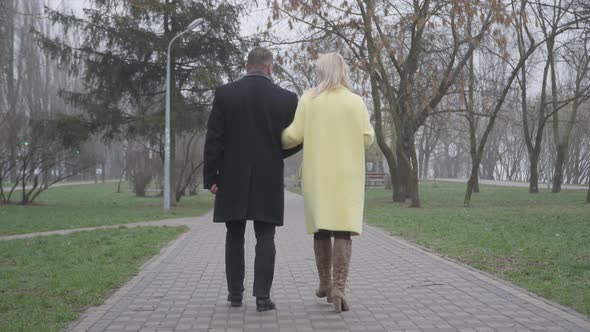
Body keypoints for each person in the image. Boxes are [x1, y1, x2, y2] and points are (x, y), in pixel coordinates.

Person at [203, 47, 301, 312]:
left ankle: (235, 294)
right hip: (268, 176)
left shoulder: (225, 94)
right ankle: (262, 298)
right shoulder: (287, 98)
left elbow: (214, 139)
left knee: (234, 235)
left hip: (231, 176)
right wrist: (276, 153)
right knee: (265, 236)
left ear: (246, 66)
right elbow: (296, 139)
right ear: (270, 69)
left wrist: (211, 177)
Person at [281, 53, 375, 313]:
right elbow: (367, 138)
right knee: (343, 230)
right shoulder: (356, 102)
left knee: (321, 228)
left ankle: (324, 283)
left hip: (318, 175)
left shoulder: (309, 99)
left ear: (323, 72)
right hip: (347, 176)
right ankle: (339, 288)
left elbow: (292, 136)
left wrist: (270, 134)